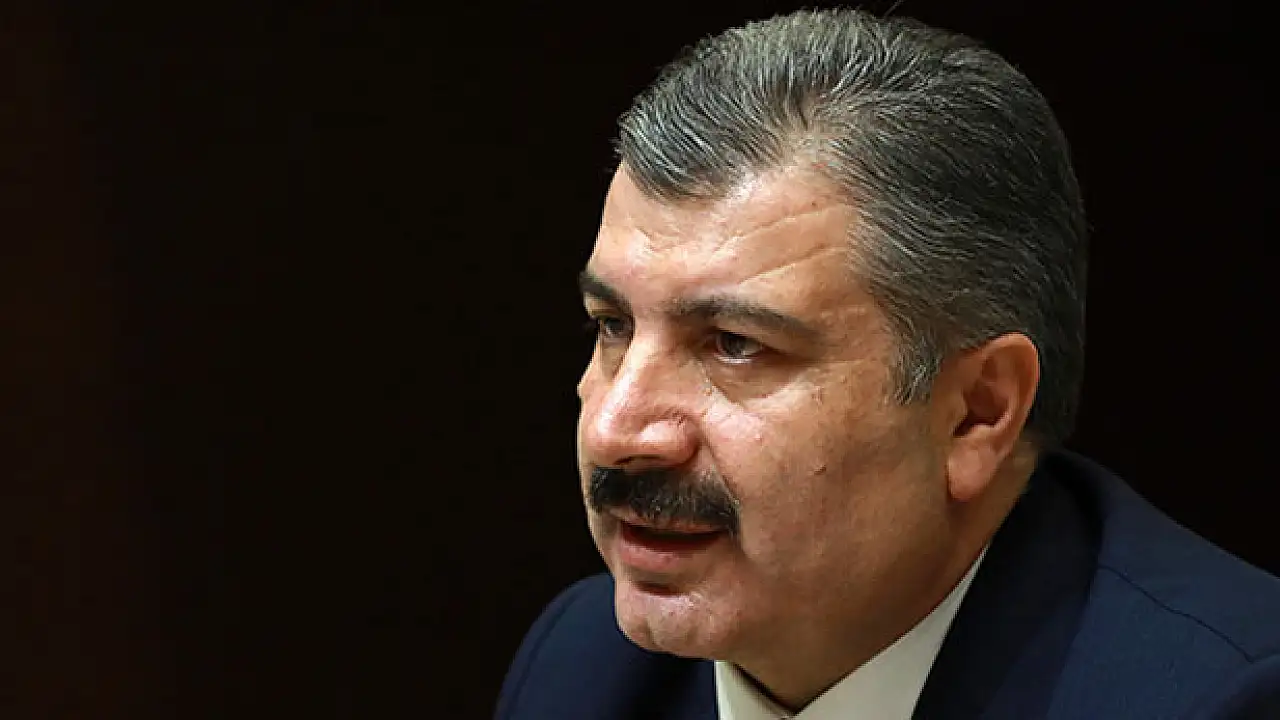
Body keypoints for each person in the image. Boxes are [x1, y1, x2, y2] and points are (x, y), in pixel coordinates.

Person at [495, 9, 1280, 719]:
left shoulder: (1221, 698)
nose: (614, 430)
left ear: (976, 413)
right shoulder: (585, 670)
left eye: (734, 344)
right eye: (613, 326)